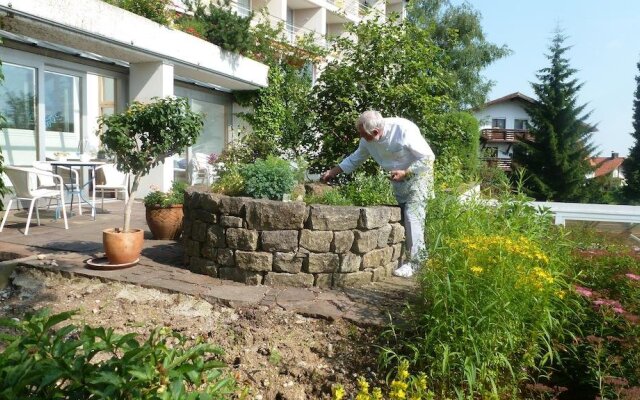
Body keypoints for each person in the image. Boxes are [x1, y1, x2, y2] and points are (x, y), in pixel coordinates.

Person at [321, 110, 435, 278]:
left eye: (362, 134)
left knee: (413, 216)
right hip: (399, 179)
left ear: (375, 132)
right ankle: (414, 256)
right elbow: (356, 157)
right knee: (405, 218)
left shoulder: (403, 129)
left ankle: (416, 263)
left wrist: (406, 172)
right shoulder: (368, 138)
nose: (361, 136)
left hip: (418, 176)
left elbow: (428, 157)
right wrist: (333, 171)